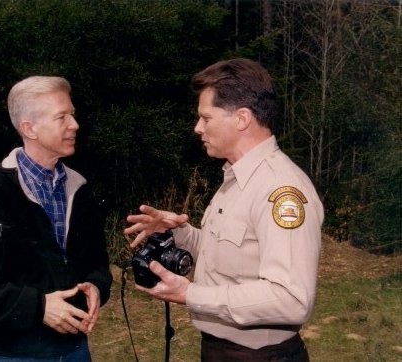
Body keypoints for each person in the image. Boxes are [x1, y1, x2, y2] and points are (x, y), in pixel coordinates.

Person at [124, 58, 324, 361]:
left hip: (261, 356)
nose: (197, 128)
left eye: (206, 118)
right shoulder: (237, 178)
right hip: (222, 350)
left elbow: (291, 298)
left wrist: (191, 294)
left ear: (242, 118)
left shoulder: (281, 190)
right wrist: (180, 233)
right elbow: (233, 254)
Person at [0, 76, 112, 361]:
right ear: (29, 128)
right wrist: (37, 307)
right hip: (13, 353)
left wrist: (96, 286)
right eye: (62, 117)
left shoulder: (79, 187)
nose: (74, 125)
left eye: (73, 115)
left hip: (75, 350)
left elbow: (95, 261)